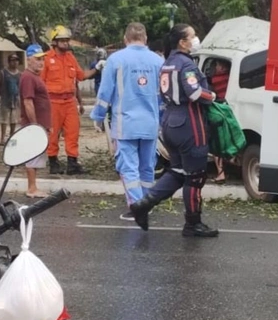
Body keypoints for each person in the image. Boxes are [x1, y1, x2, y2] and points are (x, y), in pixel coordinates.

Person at [130, 23, 219, 237]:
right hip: (189, 123)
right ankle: (193, 223)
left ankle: (143, 204)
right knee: (195, 176)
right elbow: (195, 93)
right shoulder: (186, 64)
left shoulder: (167, 63)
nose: (196, 39)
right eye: (193, 36)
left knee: (178, 172)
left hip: (170, 122)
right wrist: (213, 96)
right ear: (182, 42)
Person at [90, 22, 164, 220]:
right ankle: (146, 203)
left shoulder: (116, 60)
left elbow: (105, 92)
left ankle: (137, 207)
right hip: (150, 124)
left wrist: (98, 116)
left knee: (128, 168)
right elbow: (163, 96)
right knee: (147, 167)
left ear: (125, 39)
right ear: (145, 39)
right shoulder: (158, 61)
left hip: (125, 125)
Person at [41, 25, 98, 175]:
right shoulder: (46, 59)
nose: (66, 43)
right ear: (54, 42)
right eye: (62, 40)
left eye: (67, 40)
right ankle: (53, 163)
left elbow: (81, 76)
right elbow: (40, 83)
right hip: (53, 102)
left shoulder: (71, 58)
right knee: (53, 134)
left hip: (69, 102)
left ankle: (72, 164)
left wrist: (97, 68)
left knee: (73, 132)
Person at [19, 45, 52, 198]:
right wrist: (34, 125)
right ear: (29, 60)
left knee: (37, 155)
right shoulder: (28, 77)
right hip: (34, 125)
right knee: (33, 155)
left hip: (40, 124)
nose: (41, 62)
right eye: (37, 59)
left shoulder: (34, 77)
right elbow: (28, 102)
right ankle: (32, 188)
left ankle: (33, 186)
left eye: (42, 59)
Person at [209, 60, 231, 183]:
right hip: (229, 111)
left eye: (216, 65)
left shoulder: (215, 79)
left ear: (222, 68)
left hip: (219, 112)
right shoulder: (230, 78)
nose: (215, 68)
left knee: (217, 144)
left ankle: (221, 173)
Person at [0, 53, 22, 143]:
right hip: (5, 99)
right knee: (4, 119)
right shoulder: (3, 73)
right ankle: (2, 138)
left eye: (17, 60)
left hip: (15, 100)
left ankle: (11, 136)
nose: (15, 62)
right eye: (13, 60)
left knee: (14, 120)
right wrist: (2, 94)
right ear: (9, 62)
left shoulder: (20, 74)